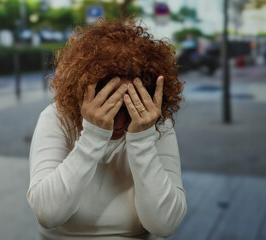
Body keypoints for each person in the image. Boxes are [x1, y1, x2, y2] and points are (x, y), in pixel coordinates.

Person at [26, 18, 187, 240]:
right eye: (108, 105)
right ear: (82, 92)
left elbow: (164, 225)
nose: (118, 123)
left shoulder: (155, 124)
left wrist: (141, 139)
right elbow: (48, 213)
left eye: (129, 109)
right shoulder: (57, 118)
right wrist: (93, 135)